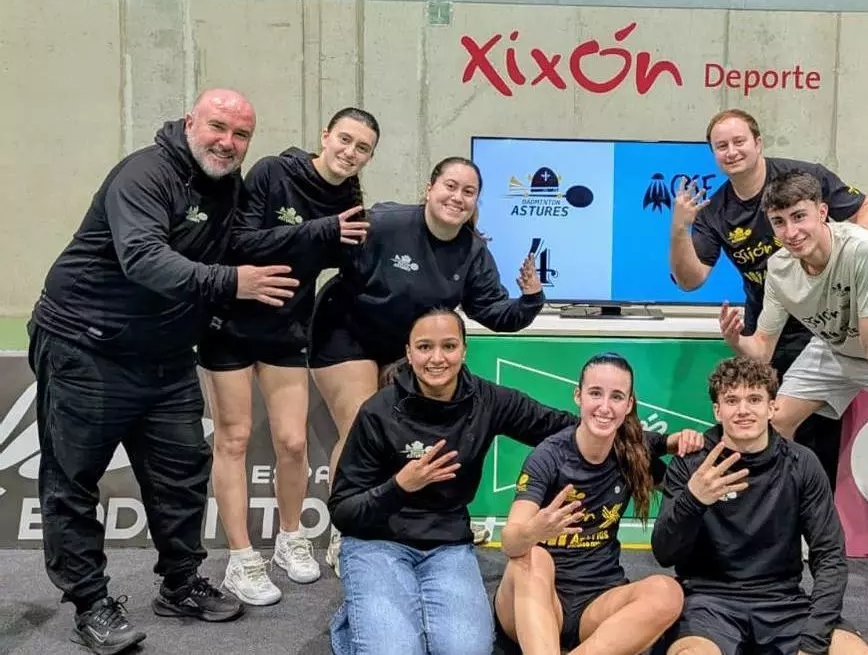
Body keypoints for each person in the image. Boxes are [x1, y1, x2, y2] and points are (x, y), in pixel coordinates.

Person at [27, 89, 301, 655]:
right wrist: (232, 283)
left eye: (241, 134)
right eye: (217, 127)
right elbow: (143, 258)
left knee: (181, 474)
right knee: (72, 481)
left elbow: (252, 241)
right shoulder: (145, 174)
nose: (227, 142)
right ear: (189, 122)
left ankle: (180, 583)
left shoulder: (227, 186)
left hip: (167, 356)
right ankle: (90, 604)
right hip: (86, 347)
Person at [717, 170, 868, 632]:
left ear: (823, 213)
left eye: (799, 217)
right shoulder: (780, 268)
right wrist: (736, 340)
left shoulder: (865, 249)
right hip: (834, 349)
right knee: (770, 425)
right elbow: (762, 349)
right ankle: (772, 545)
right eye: (779, 222)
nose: (791, 231)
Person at [312, 156, 544, 574]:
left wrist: (530, 299)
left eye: (468, 192)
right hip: (345, 331)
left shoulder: (472, 251)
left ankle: (411, 523)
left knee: (405, 431)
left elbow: (494, 312)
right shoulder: (387, 223)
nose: (457, 197)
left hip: (407, 348)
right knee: (359, 421)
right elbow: (328, 249)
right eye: (450, 186)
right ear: (429, 189)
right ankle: (345, 531)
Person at [197, 107, 380, 606]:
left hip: (287, 330)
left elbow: (353, 263)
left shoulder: (350, 202)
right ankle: (241, 558)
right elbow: (241, 242)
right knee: (234, 439)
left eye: (363, 148)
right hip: (230, 325)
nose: (350, 152)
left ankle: (290, 537)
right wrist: (321, 231)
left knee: (294, 442)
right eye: (345, 139)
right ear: (326, 135)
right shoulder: (273, 172)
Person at [326, 307, 579, 655]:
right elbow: (343, 510)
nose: (437, 358)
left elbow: (560, 427)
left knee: (467, 651)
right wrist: (399, 487)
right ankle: (357, 614)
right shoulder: (377, 411)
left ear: (464, 350)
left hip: (446, 544)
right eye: (424, 347)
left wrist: (642, 438)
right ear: (409, 353)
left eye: (448, 346)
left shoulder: (488, 400)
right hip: (377, 541)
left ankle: (384, 610)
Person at [668, 108, 868, 493]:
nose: (732, 151)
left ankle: (814, 518)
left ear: (758, 142)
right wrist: (679, 229)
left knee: (817, 438)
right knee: (764, 429)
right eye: (721, 146)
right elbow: (690, 280)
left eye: (739, 141)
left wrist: (837, 258)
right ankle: (768, 512)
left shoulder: (804, 178)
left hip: (825, 325)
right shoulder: (716, 211)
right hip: (769, 331)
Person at [652, 356, 868, 655]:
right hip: (707, 602)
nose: (743, 410)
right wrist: (693, 500)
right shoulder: (691, 464)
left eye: (754, 399)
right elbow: (664, 553)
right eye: (732, 400)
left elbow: (829, 556)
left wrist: (813, 641)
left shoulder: (802, 463)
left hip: (783, 603)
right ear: (717, 411)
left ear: (772, 407)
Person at [494, 352, 704, 655]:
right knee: (533, 557)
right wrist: (534, 531)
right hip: (537, 597)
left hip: (598, 600)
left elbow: (664, 450)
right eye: (595, 393)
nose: (605, 407)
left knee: (668, 592)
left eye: (616, 397)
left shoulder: (632, 452)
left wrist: (682, 440)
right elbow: (509, 543)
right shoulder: (548, 456)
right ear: (578, 396)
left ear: (628, 405)